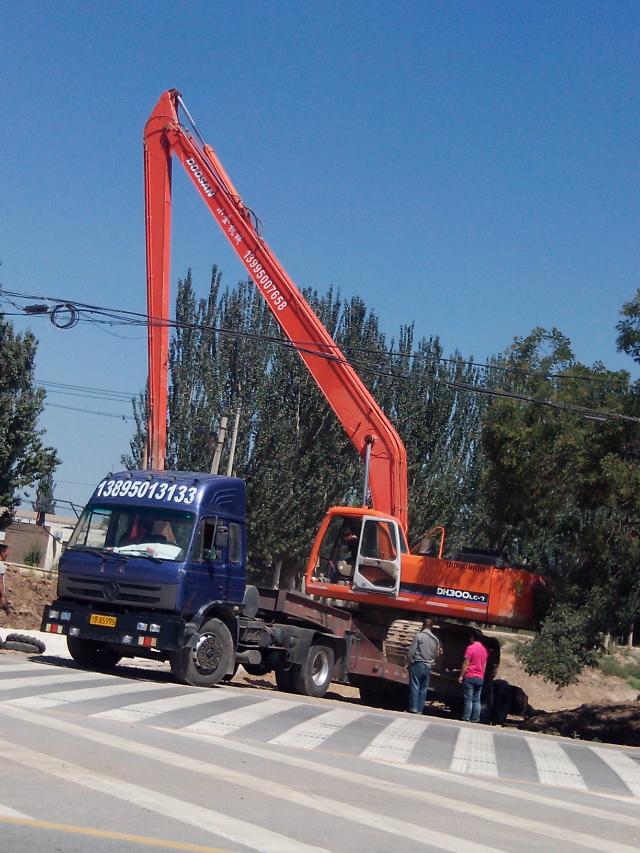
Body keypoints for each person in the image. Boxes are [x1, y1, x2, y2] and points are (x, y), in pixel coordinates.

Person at [406, 618, 442, 714]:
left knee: (415, 686)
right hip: (428, 666)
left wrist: (408, 662)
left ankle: (413, 708)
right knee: (423, 688)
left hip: (418, 664)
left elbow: (411, 651)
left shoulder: (419, 636)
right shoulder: (436, 639)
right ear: (431, 627)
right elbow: (436, 654)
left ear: (423, 626)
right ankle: (420, 710)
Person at [458, 628, 489, 723]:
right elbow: (484, 665)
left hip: (470, 676)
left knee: (469, 699)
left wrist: (461, 675)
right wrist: (481, 676)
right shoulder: (485, 650)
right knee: (477, 700)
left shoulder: (470, 648)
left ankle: (466, 717)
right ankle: (475, 718)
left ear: (473, 637)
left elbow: (466, 663)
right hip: (480, 678)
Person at [0, 544, 11, 614]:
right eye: (6, 553)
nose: (7, 555)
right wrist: (3, 596)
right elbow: (0, 581)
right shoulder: (1, 566)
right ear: (2, 553)